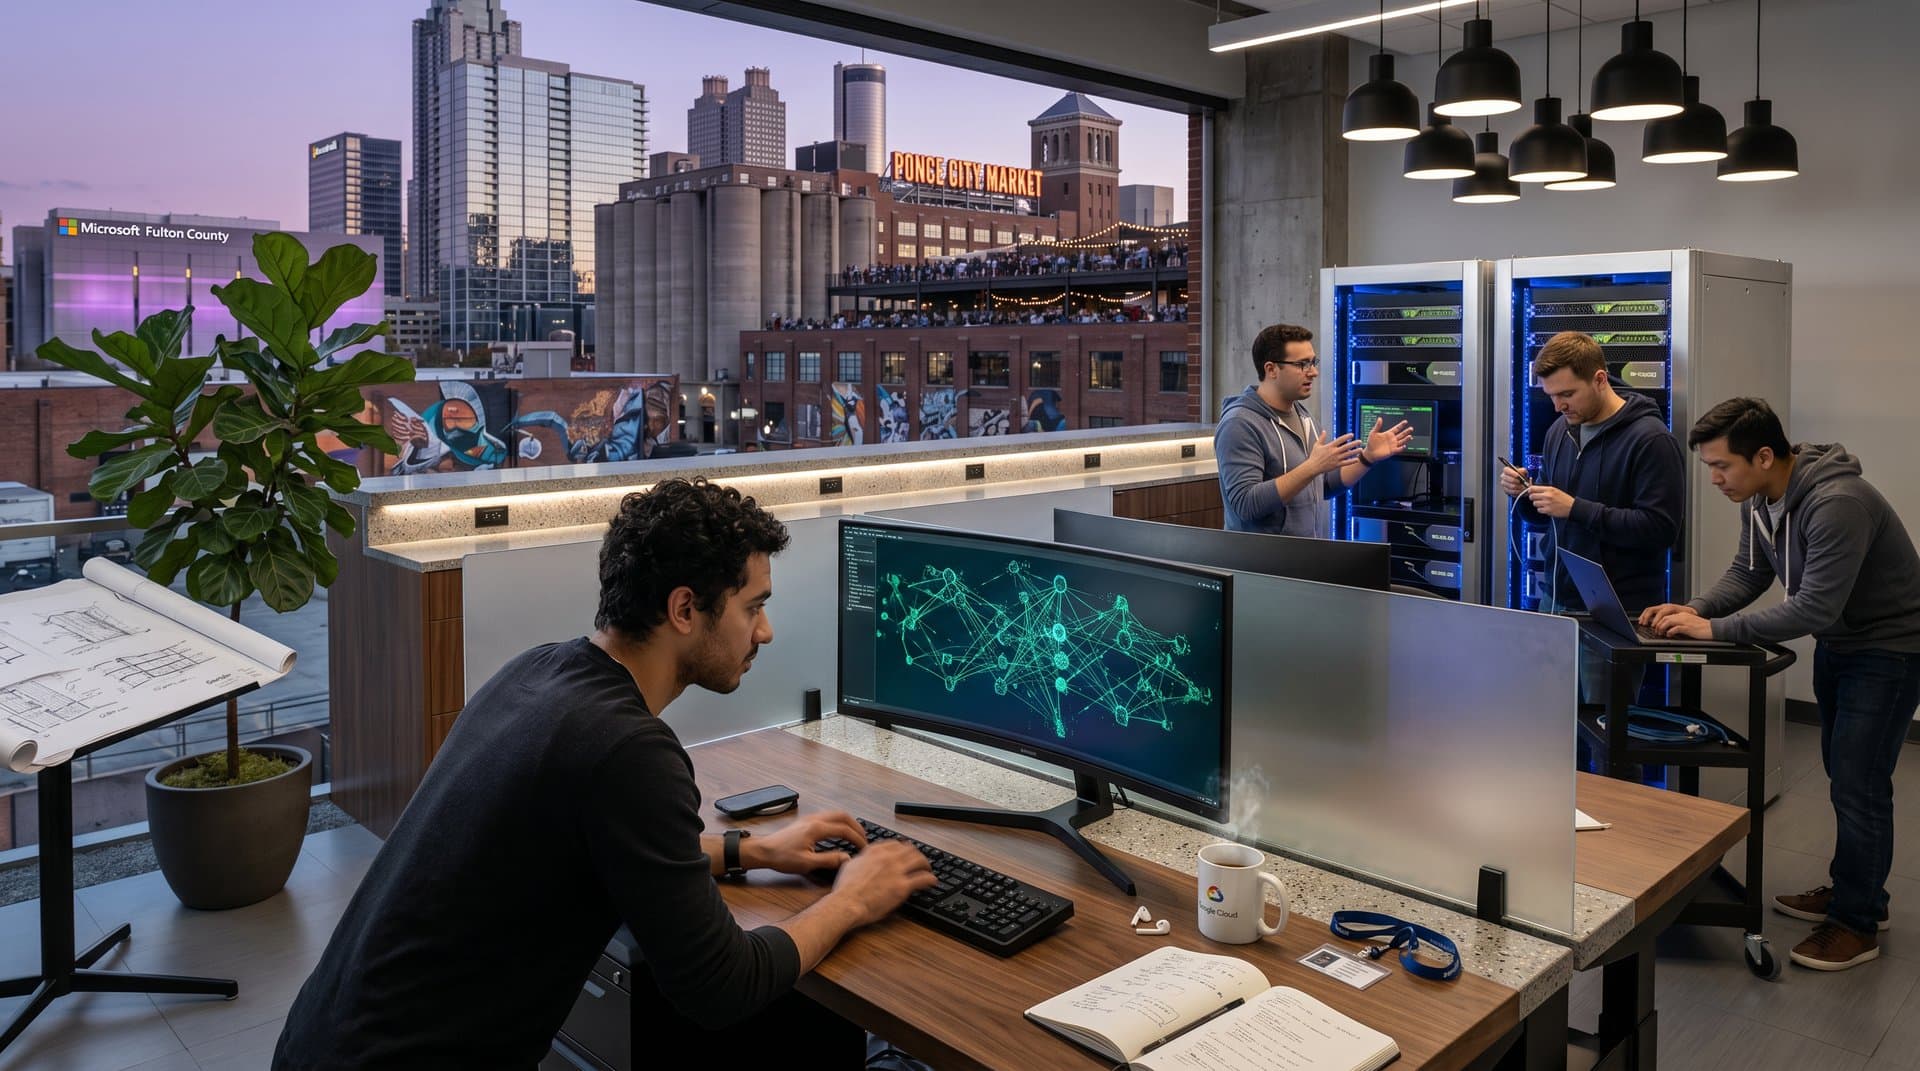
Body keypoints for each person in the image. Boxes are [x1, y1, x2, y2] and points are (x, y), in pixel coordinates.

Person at [274, 478, 936, 1068]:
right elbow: (721, 987)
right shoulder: (629, 750)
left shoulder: (541, 670)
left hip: (319, 1039)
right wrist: (853, 898)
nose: (764, 631)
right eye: (752, 606)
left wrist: (750, 848)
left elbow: (588, 837)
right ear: (684, 610)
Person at [1641, 398, 1920, 971]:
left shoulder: (1837, 503)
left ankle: (1856, 923)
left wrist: (1713, 628)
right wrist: (1690, 610)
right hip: (1845, 644)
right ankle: (1859, 893)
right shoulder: (1765, 499)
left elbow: (1815, 605)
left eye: (1722, 466)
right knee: (1849, 777)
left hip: (1890, 651)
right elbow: (1749, 573)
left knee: (1858, 785)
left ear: (1764, 455)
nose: (1715, 479)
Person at [1499, 331, 1686, 621]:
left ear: (1600, 379)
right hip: (1556, 599)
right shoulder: (1559, 431)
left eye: (1567, 394)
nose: (1558, 406)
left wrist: (1575, 508)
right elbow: (1551, 518)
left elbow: (1660, 529)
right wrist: (1525, 494)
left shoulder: (1651, 440)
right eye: (1551, 396)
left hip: (1615, 609)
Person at [1216, 323, 1413, 537]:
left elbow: (1325, 485)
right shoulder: (1240, 424)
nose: (1314, 372)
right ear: (1271, 369)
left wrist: (1367, 458)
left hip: (1303, 559)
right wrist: (1312, 467)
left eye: (1313, 362)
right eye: (1302, 364)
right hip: (1261, 565)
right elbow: (1246, 505)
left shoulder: (1303, 416)